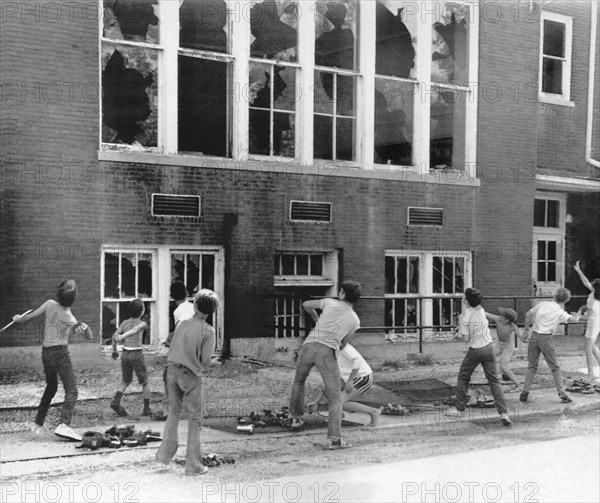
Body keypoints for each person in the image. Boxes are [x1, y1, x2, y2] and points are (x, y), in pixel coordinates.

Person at [11, 279, 93, 441]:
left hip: (46, 352)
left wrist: (18, 318)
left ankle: (38, 423)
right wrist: (86, 327)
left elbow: (28, 317)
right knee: (72, 390)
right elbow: (89, 336)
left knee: (51, 387)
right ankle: (64, 424)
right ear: (72, 299)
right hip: (60, 354)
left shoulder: (49, 304)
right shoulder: (69, 316)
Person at [289, 280, 362, 450]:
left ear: (342, 293)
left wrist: (316, 318)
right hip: (327, 352)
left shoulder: (329, 303)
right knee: (335, 396)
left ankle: (295, 418)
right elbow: (344, 343)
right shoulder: (354, 320)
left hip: (309, 345)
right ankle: (335, 440)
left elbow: (306, 304)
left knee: (299, 381)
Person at [155, 289, 220, 475]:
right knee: (195, 419)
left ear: (195, 305)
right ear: (211, 311)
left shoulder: (183, 322)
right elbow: (206, 361)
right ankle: (193, 464)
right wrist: (215, 363)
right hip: (190, 374)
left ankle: (164, 457)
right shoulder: (208, 330)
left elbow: (173, 344)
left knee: (174, 414)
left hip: (171, 370)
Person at [447, 288, 512, 426]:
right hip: (489, 348)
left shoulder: (464, 317)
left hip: (475, 350)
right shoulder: (481, 310)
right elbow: (481, 312)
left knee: (463, 377)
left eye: (464, 297)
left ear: (466, 301)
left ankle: (459, 409)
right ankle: (504, 413)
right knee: (494, 380)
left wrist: (457, 335)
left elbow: (465, 338)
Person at [520, 287, 585, 403]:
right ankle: (561, 392)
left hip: (534, 335)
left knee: (532, 366)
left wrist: (526, 330)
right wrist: (579, 313)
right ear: (565, 301)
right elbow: (574, 320)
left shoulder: (543, 304)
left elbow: (528, 314)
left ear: (554, 296)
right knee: (554, 367)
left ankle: (525, 392)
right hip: (546, 338)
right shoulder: (559, 312)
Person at [306, 340, 381, 426]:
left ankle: (373, 412)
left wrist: (350, 380)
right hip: (347, 378)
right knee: (324, 386)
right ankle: (339, 412)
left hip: (363, 377)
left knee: (338, 401)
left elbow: (357, 361)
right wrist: (316, 401)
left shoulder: (343, 347)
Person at [110, 299, 153, 417]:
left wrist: (114, 350)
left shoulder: (124, 322)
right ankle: (146, 408)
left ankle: (116, 401)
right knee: (145, 381)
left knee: (126, 380)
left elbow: (114, 337)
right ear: (142, 311)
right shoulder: (142, 323)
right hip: (137, 353)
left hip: (125, 353)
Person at [486, 307, 526, 392]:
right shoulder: (498, 319)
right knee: (487, 357)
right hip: (499, 344)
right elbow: (486, 314)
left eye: (502, 315)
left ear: (507, 320)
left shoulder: (512, 327)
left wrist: (526, 335)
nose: (500, 316)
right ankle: (496, 379)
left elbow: (522, 338)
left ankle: (519, 385)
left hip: (508, 347)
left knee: (503, 366)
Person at [574, 261, 600, 383]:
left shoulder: (592, 300)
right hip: (597, 322)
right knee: (593, 346)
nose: (591, 285)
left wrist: (578, 315)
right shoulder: (595, 294)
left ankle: (591, 373)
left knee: (587, 348)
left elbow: (588, 316)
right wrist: (579, 271)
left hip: (593, 323)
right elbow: (586, 282)